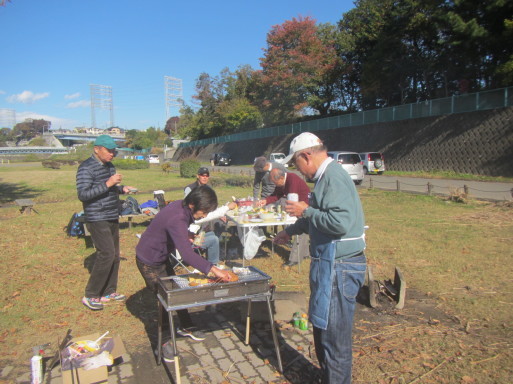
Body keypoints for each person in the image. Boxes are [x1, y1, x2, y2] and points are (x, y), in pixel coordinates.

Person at [273, 132, 367, 384]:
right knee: (322, 329)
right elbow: (318, 219)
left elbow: (339, 223)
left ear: (307, 155)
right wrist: (290, 230)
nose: (298, 171)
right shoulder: (325, 177)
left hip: (341, 266)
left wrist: (307, 210)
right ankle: (327, 377)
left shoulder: (334, 177)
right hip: (329, 264)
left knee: (334, 339)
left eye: (297, 164)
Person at [135, 186, 232, 362]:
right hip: (148, 260)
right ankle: (163, 342)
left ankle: (186, 326)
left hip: (162, 256)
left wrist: (184, 234)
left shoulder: (182, 207)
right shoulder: (178, 216)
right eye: (204, 212)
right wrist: (214, 268)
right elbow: (187, 255)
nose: (204, 216)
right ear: (193, 204)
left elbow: (172, 229)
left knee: (176, 291)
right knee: (164, 300)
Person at [76, 134, 137, 311]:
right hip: (97, 216)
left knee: (115, 254)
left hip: (112, 213)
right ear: (97, 149)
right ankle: (91, 294)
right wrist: (109, 183)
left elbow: (110, 188)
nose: (112, 154)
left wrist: (121, 188)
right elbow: (84, 194)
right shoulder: (86, 168)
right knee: (106, 254)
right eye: (109, 150)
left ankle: (109, 291)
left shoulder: (109, 165)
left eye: (114, 151)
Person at [256, 168, 311, 266]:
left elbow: (291, 199)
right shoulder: (281, 182)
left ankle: (294, 259)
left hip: (303, 206)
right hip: (295, 205)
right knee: (304, 230)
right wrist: (266, 201)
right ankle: (305, 254)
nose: (274, 184)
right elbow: (277, 194)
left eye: (275, 182)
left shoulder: (292, 180)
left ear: (281, 178)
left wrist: (288, 213)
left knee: (302, 230)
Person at [184, 167, 236, 265]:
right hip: (194, 225)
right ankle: (212, 262)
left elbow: (210, 207)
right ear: (197, 176)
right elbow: (192, 210)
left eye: (206, 176)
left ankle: (213, 253)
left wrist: (219, 214)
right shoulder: (190, 189)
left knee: (220, 224)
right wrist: (225, 209)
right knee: (214, 237)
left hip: (202, 221)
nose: (204, 177)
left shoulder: (208, 189)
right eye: (202, 175)